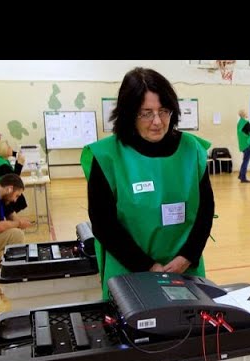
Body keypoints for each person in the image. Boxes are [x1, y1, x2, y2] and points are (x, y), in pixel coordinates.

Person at [80, 67, 215, 299]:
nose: (157, 122)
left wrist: (187, 257)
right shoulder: (107, 156)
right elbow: (104, 224)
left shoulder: (191, 150)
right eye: (146, 113)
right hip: (129, 271)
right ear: (129, 113)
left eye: (164, 111)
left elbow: (205, 211)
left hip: (185, 269)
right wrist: (147, 266)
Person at [236, 109, 250, 183]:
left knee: (244, 160)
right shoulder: (246, 123)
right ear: (244, 114)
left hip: (243, 145)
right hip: (248, 144)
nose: (247, 113)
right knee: (246, 161)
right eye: (246, 112)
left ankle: (241, 175)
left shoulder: (239, 123)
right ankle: (243, 177)